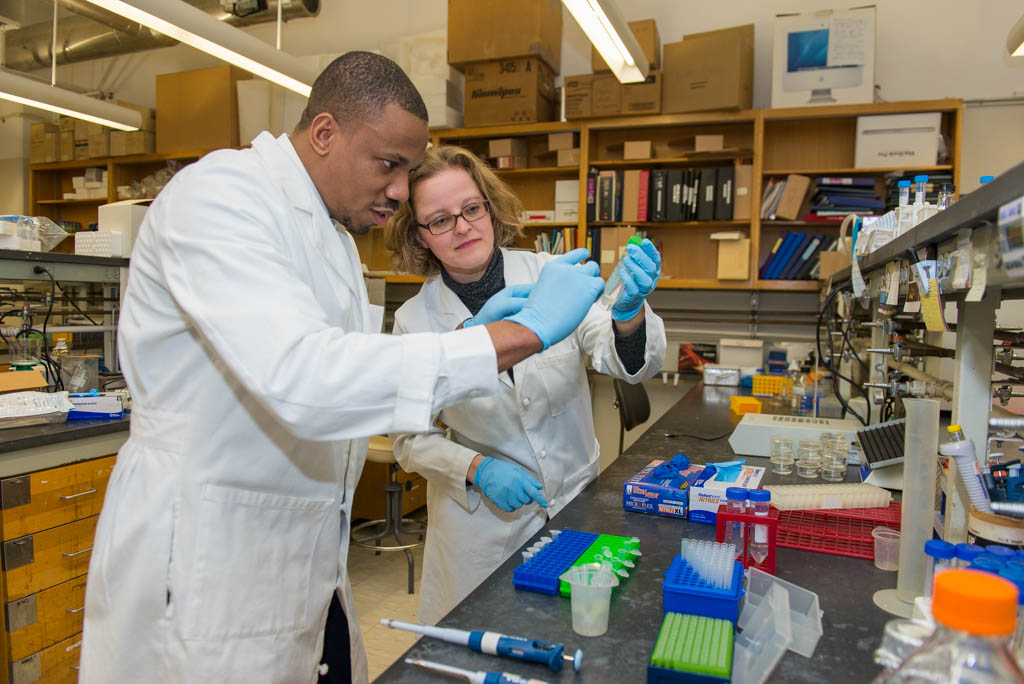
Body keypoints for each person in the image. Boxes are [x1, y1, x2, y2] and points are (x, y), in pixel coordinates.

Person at [79, 53, 606, 684]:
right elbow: (305, 378)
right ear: (325, 132)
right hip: (209, 561)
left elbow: (358, 375)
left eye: (408, 171)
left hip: (307, 559)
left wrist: (470, 336)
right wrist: (517, 334)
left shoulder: (331, 237)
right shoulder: (220, 195)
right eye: (389, 165)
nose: (400, 191)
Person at [383, 145, 666, 625]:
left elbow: (615, 353)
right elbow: (408, 437)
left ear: (490, 208)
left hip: (575, 502)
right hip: (481, 525)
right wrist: (475, 468)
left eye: (472, 209)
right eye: (441, 220)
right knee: (487, 640)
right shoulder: (414, 321)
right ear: (419, 235)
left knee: (578, 630)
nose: (463, 227)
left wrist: (629, 312)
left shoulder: (549, 275)